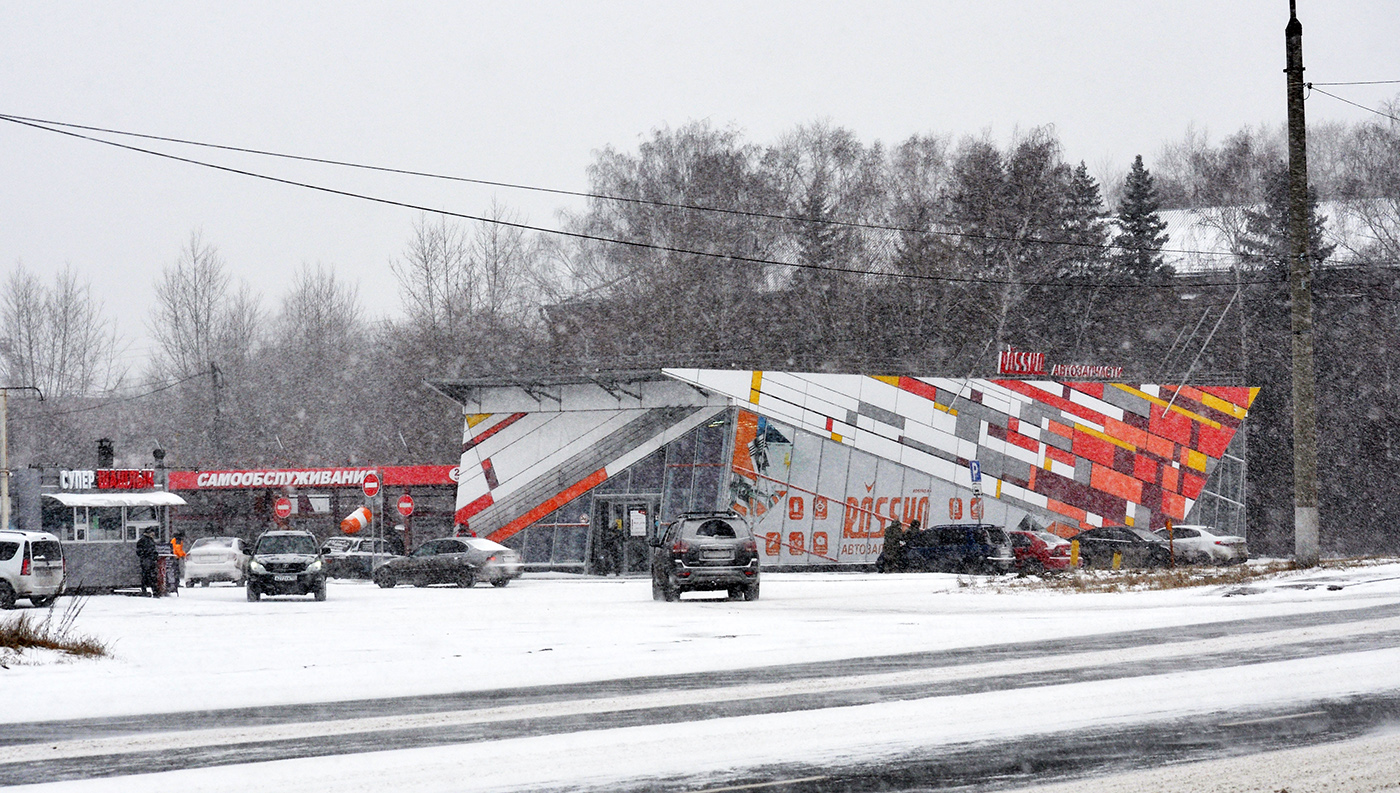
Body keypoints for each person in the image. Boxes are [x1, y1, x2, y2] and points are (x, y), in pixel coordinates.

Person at [136, 527, 160, 597]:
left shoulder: (149, 540)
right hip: (147, 561)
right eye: (152, 532)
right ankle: (153, 591)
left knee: (148, 576)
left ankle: (149, 590)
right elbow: (139, 551)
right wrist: (149, 553)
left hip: (149, 560)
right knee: (150, 576)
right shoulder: (144, 540)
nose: (153, 534)